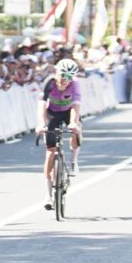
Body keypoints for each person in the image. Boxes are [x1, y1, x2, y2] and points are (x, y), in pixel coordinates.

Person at [36, 58, 82, 210]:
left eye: (69, 77)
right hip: (52, 114)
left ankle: (74, 161)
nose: (64, 80)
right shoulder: (49, 83)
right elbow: (41, 106)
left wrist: (74, 123)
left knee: (77, 130)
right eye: (62, 75)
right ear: (56, 72)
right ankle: (48, 195)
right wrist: (41, 124)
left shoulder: (75, 85)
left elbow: (76, 106)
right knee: (50, 153)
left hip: (68, 112)